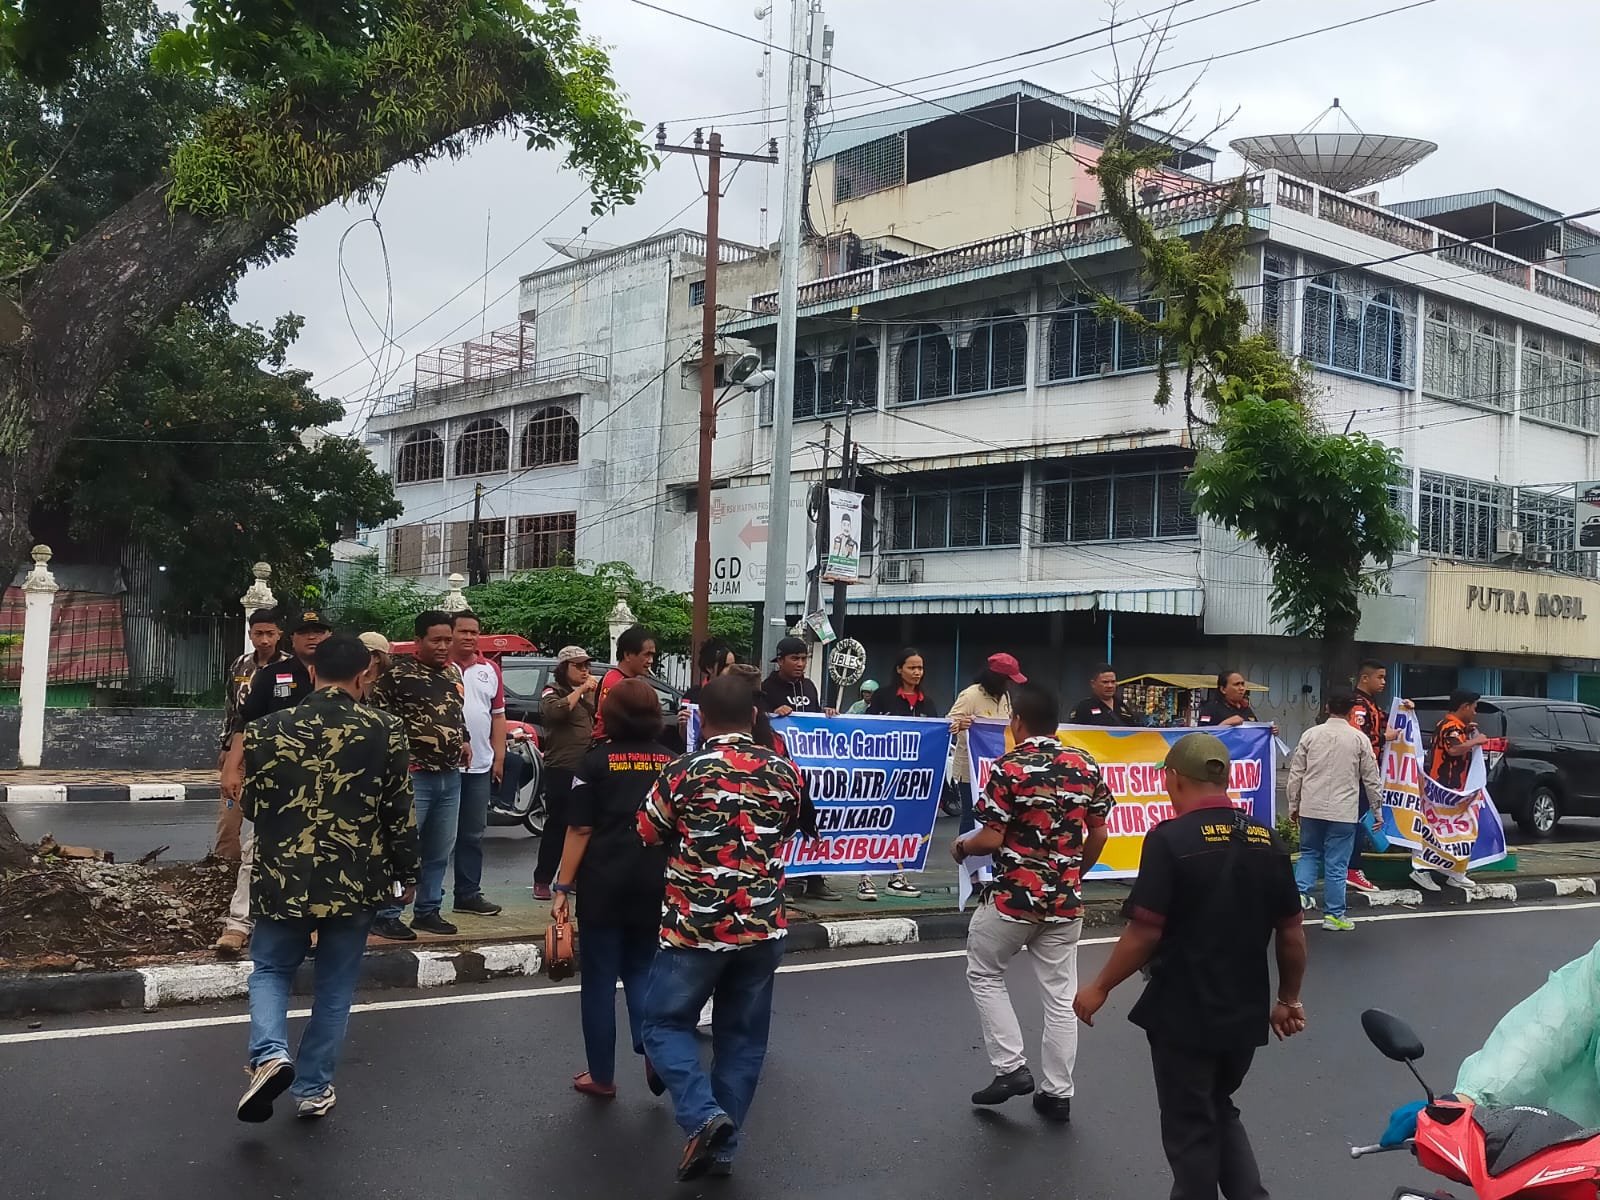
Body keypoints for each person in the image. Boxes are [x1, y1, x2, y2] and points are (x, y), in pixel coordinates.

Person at [1074, 732, 1308, 1200]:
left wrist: (1099, 986)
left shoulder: (1169, 839)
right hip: (1244, 1014)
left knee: (1190, 1129)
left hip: (1185, 1013)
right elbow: (1291, 932)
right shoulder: (1267, 839)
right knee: (1219, 1107)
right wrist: (1287, 999)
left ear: (1174, 778)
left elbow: (1145, 931)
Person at [235, 634, 419, 1123]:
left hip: (283, 875)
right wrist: (408, 872)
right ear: (363, 675)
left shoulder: (266, 729)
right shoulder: (385, 729)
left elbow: (252, 805)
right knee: (335, 987)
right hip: (355, 879)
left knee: (272, 970)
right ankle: (313, 1089)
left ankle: (270, 1054)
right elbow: (398, 810)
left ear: (312, 673)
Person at [638, 674, 807, 1182]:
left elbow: (646, 831)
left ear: (702, 720)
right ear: (755, 717)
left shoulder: (681, 771)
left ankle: (704, 1117)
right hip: (762, 928)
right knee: (742, 1039)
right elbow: (793, 825)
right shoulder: (785, 771)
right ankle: (724, 1150)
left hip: (695, 928)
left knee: (663, 1025)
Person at [951, 684, 1113, 1122]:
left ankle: (1010, 1068)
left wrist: (963, 848)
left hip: (1013, 899)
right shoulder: (1086, 765)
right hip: (1065, 902)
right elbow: (1099, 832)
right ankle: (1057, 1093)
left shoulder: (1010, 766)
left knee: (984, 972)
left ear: (1017, 722)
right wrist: (1074, 872)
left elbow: (991, 837)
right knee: (1060, 997)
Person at [551, 678, 675, 1099]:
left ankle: (601, 1077)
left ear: (611, 715)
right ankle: (654, 1050)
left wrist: (562, 886)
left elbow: (580, 829)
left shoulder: (594, 764)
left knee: (600, 982)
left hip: (603, 883)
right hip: (656, 882)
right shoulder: (673, 764)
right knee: (641, 969)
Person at [214, 608, 332, 958]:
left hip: (330, 785)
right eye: (305, 631)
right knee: (257, 852)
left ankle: (311, 926)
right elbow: (244, 724)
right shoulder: (273, 675)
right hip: (277, 782)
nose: (312, 637)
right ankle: (238, 925)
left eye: (319, 631)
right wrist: (232, 769)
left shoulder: (343, 676)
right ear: (291, 638)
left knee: (322, 856)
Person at [367, 610, 467, 940]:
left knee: (440, 849)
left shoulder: (453, 672)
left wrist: (463, 739)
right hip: (413, 776)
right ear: (418, 641)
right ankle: (388, 912)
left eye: (447, 640)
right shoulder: (397, 674)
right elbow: (379, 721)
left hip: (450, 776)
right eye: (436, 640)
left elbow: (455, 712)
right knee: (403, 847)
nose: (443, 646)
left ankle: (428, 910)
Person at [1287, 693, 1383, 932]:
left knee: (1308, 852)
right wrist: (1377, 811)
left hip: (1311, 806)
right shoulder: (1359, 739)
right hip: (1343, 811)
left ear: (1327, 707)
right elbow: (1371, 779)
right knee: (1336, 864)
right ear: (1352, 712)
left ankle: (1300, 894)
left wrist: (1293, 804)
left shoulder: (1310, 735)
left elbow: (1296, 773)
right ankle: (1334, 915)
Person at [860, 648, 937, 901]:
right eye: (912, 667)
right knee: (873, 823)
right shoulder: (882, 697)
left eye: (921, 668)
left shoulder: (928, 702)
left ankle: (897, 876)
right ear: (899, 669)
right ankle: (865, 878)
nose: (917, 672)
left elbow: (936, 734)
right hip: (881, 775)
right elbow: (867, 729)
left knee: (903, 825)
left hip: (912, 779)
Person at [215, 608, 285, 861]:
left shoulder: (290, 668)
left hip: (276, 750)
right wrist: (226, 746)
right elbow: (231, 708)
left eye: (270, 633)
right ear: (250, 634)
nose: (264, 640)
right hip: (240, 747)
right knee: (229, 809)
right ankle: (225, 863)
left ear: (279, 635)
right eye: (258, 634)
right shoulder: (240, 664)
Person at [449, 611, 505, 917]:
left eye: (475, 632)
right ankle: (428, 898)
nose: (469, 637)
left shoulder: (490, 669)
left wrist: (499, 757)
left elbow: (498, 716)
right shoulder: (441, 667)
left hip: (480, 767)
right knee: (437, 837)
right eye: (463, 631)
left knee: (472, 834)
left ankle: (468, 894)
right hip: (443, 767)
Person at [533, 645, 599, 901]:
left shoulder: (586, 696)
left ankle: (570, 876)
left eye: (587, 666)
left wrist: (587, 695)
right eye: (579, 666)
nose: (585, 671)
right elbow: (556, 712)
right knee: (557, 825)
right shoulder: (553, 691)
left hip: (584, 769)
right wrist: (581, 690)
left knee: (583, 824)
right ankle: (542, 879)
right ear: (564, 669)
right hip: (561, 768)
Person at [1415, 689, 1489, 893]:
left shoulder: (1456, 727)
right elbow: (1453, 749)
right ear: (1464, 706)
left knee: (1458, 831)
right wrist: (1476, 740)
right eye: (1474, 707)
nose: (1475, 712)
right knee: (1435, 829)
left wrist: (1468, 732)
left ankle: (1455, 872)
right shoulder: (1450, 726)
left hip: (1456, 790)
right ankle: (1422, 869)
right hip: (1443, 788)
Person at [946, 653, 1027, 833]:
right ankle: (965, 858)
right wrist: (961, 724)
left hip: (998, 768)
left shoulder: (1005, 696)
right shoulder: (970, 695)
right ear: (996, 678)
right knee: (971, 815)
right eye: (1008, 679)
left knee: (997, 815)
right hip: (971, 770)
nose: (1010, 684)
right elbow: (948, 724)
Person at [1345, 659, 1400, 896]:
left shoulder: (1371, 704)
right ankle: (1352, 868)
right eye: (1380, 677)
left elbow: (1384, 720)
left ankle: (1349, 867)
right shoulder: (1358, 704)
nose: (1384, 682)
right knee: (1356, 821)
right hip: (1357, 772)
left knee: (1361, 819)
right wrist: (1384, 736)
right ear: (1364, 678)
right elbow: (1358, 735)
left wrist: (1403, 709)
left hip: (1368, 771)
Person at [593, 625, 656, 739]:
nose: (651, 661)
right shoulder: (614, 681)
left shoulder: (633, 681)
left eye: (652, 655)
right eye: (646, 654)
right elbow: (607, 722)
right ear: (627, 655)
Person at [759, 635, 835, 717]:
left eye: (804, 659)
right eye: (795, 659)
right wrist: (774, 713)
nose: (800, 664)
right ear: (780, 661)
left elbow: (815, 714)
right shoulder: (765, 688)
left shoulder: (809, 686)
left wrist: (825, 713)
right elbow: (757, 720)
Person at [1068, 663, 1138, 726]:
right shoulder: (1083, 708)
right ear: (1093, 684)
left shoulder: (1123, 707)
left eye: (1113, 682)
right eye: (1105, 682)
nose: (1110, 686)